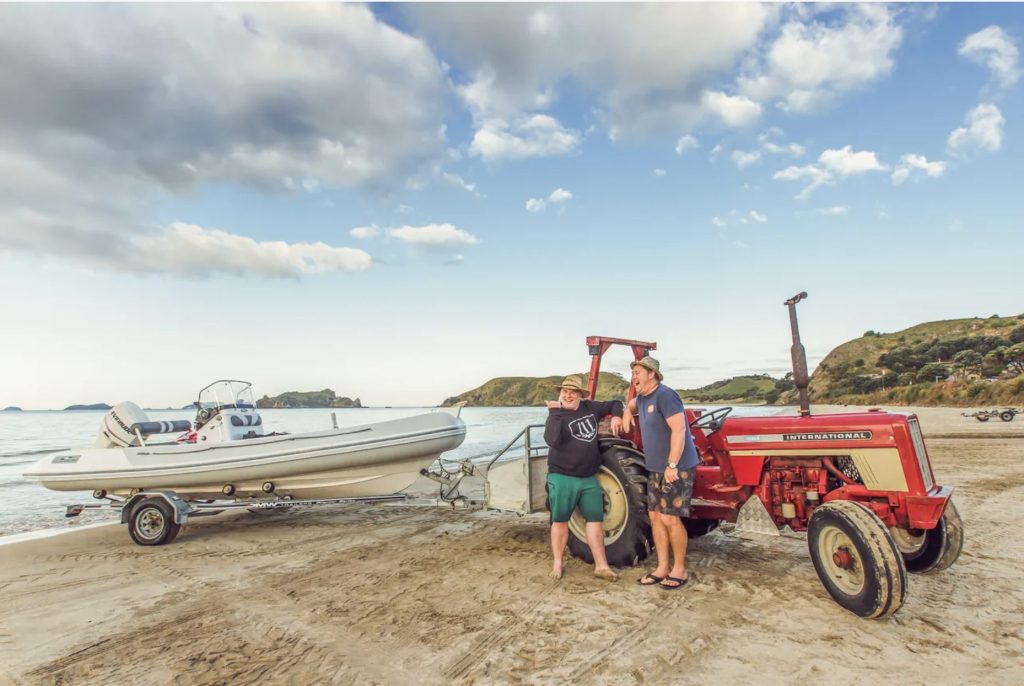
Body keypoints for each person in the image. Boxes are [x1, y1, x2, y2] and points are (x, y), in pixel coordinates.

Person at [621, 356, 698, 590]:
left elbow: (679, 430)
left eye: (637, 373)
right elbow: (631, 405)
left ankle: (679, 569)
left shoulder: (665, 395)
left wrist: (672, 465)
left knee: (669, 518)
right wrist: (626, 413)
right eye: (632, 373)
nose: (633, 377)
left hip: (676, 467)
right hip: (654, 467)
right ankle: (662, 567)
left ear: (651, 374)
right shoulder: (642, 398)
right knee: (655, 517)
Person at [544, 374, 624, 581]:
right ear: (560, 393)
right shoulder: (557, 414)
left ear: (580, 395)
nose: (568, 395)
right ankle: (558, 563)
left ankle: (601, 566)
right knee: (560, 520)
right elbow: (552, 440)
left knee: (595, 520)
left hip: (588, 477)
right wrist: (554, 413)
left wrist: (617, 416)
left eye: (573, 392)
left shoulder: (590, 408)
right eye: (565, 391)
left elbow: (616, 403)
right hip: (562, 476)